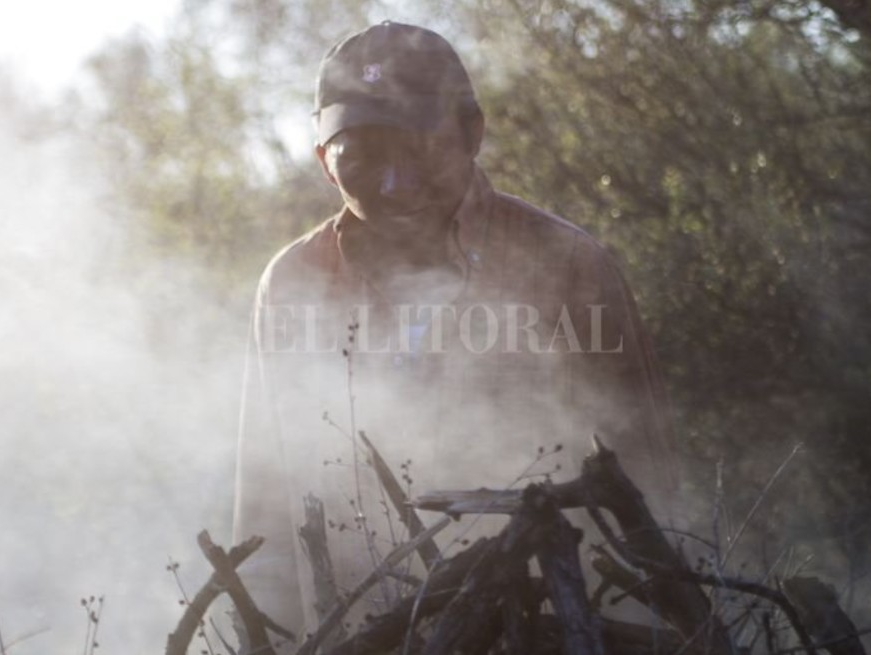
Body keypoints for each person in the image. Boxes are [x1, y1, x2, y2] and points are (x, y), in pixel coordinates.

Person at [232, 21, 680, 643]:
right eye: (361, 157)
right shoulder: (293, 282)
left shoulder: (568, 266)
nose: (392, 183)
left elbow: (644, 496)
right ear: (325, 164)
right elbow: (266, 512)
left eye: (416, 149)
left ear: (473, 133)